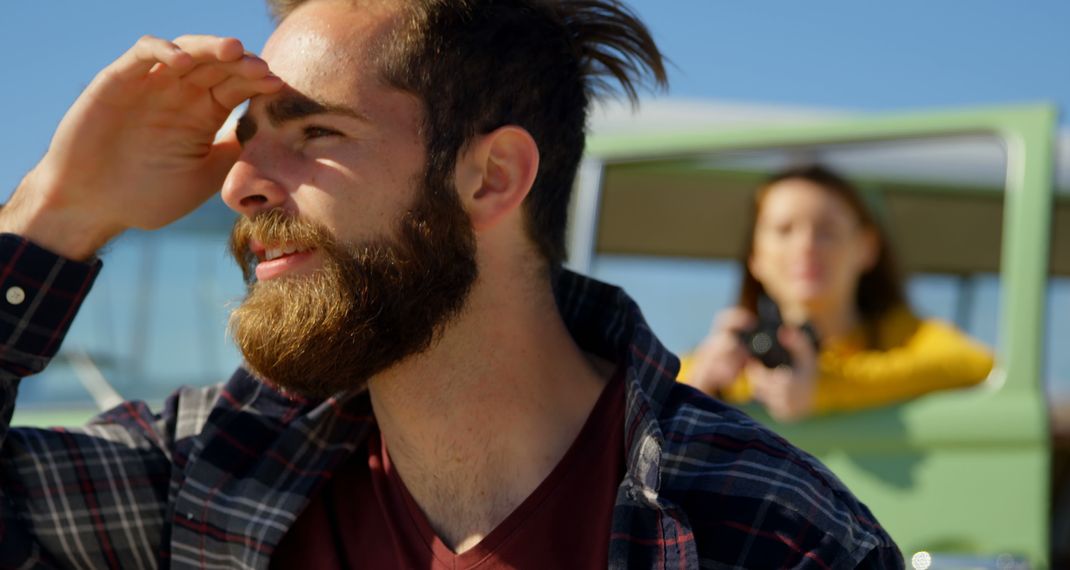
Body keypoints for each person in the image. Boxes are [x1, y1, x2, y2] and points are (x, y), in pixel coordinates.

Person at [0, 1, 903, 568]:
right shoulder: (213, 470)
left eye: (314, 133)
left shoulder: (770, 531)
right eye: (247, 138)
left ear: (491, 179)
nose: (239, 182)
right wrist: (53, 213)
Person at [679, 165, 995, 422]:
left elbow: (977, 364)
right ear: (755, 257)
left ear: (867, 247)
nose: (806, 246)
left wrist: (823, 387)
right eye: (784, 230)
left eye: (827, 231)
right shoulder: (729, 358)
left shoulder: (908, 335)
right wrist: (698, 387)